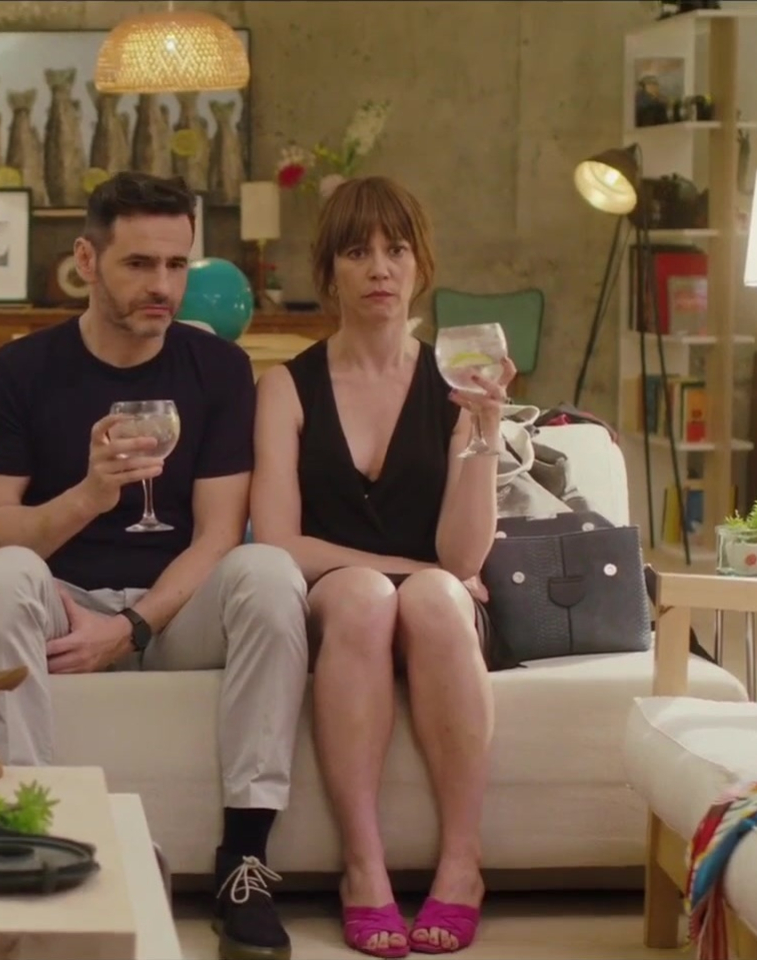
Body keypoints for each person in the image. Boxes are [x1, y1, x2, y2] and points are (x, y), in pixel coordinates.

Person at [0, 171, 307, 960]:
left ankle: (245, 860)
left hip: (175, 610)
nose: (163, 287)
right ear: (87, 260)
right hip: (60, 601)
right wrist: (88, 495)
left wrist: (132, 626)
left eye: (177, 265)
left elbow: (218, 535)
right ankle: (27, 838)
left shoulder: (218, 368)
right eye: (140, 264)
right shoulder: (23, 370)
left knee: (271, 573)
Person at [248, 176, 512, 958]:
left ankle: (462, 864)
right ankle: (364, 870)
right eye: (357, 252)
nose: (379, 268)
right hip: (338, 599)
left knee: (434, 596)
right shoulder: (285, 387)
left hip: (439, 605)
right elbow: (281, 541)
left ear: (420, 265)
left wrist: (485, 434)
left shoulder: (454, 382)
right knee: (369, 595)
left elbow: (462, 560)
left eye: (396, 250)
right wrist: (405, 566)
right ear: (329, 271)